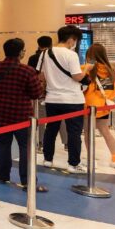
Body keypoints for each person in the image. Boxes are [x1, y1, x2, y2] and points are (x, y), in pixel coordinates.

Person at [0, 38, 46, 191]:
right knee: (25, 147)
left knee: (2, 145)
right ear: (20, 52)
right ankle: (27, 180)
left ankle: (2, 175)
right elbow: (36, 93)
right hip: (21, 115)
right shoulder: (27, 71)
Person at [36, 25, 87, 173]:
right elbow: (77, 76)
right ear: (71, 39)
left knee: (51, 130)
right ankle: (73, 163)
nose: (75, 43)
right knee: (74, 132)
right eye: (75, 40)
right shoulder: (71, 55)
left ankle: (47, 159)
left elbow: (41, 76)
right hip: (73, 99)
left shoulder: (45, 53)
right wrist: (87, 70)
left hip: (52, 98)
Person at [81, 44, 115, 169]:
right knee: (105, 131)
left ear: (90, 55)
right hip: (104, 105)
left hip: (89, 105)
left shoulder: (88, 68)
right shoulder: (110, 69)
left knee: (88, 133)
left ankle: (91, 159)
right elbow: (114, 89)